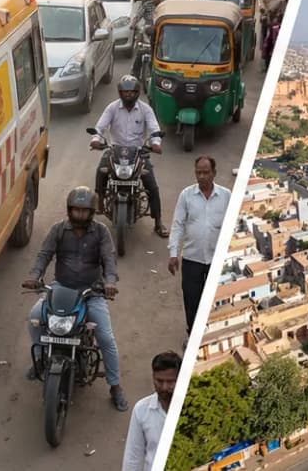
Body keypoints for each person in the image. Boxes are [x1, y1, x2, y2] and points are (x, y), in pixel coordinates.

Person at [22, 186, 129, 411]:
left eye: (84, 211)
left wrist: (110, 283)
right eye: (76, 210)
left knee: (106, 338)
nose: (80, 215)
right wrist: (34, 276)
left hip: (91, 292)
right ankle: (41, 357)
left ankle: (115, 385)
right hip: (61, 289)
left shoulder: (101, 232)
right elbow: (44, 255)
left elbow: (109, 260)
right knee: (34, 317)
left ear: (92, 212)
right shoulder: (58, 230)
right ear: (69, 210)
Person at [91, 75, 166, 238]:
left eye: (132, 92)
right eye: (125, 92)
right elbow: (100, 127)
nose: (129, 95)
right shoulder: (112, 108)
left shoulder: (146, 109)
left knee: (151, 185)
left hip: (139, 152)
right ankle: (100, 202)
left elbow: (154, 129)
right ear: (119, 92)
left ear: (138, 92)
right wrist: (96, 139)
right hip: (115, 149)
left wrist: (156, 142)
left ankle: (158, 223)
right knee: (101, 171)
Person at [168, 155, 231, 334]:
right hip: (191, 259)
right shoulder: (186, 195)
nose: (202, 176)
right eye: (198, 173)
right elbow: (178, 225)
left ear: (214, 173)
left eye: (206, 172)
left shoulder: (226, 196)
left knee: (213, 300)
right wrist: (173, 253)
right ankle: (192, 333)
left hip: (215, 260)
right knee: (191, 301)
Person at [121, 351, 180, 471]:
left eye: (170, 382)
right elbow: (133, 457)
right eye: (159, 381)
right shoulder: (141, 410)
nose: (164, 387)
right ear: (153, 377)